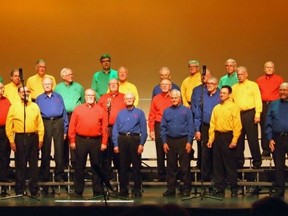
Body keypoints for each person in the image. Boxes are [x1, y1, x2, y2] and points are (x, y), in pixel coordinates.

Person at [68, 88, 108, 197]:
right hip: (81, 140)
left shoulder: (101, 110)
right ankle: (78, 191)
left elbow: (105, 128)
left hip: (96, 141)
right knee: (79, 167)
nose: (90, 97)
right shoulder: (78, 109)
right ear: (84, 97)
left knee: (96, 166)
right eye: (88, 95)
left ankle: (97, 191)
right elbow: (72, 126)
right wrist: (72, 140)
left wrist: (104, 142)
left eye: (92, 95)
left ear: (95, 97)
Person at [5, 86, 44, 196]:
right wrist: (11, 141)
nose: (25, 93)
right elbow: (9, 125)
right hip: (20, 137)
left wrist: (40, 139)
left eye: (27, 91)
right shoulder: (14, 107)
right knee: (20, 165)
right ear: (18, 93)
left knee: (34, 165)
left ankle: (34, 189)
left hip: (33, 137)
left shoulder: (35, 106)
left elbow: (40, 123)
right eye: (22, 91)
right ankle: (19, 189)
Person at [232, 66, 262, 194]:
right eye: (238, 74)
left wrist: (258, 114)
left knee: (252, 139)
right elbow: (232, 102)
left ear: (246, 74)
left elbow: (258, 100)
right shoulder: (234, 88)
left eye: (241, 74)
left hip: (250, 113)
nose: (239, 76)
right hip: (238, 114)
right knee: (238, 140)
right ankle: (239, 162)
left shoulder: (253, 85)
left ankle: (257, 161)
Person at [207, 85, 242, 198]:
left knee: (230, 164)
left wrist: (234, 139)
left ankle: (234, 188)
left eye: (224, 93)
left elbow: (237, 125)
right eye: (221, 92)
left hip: (228, 136)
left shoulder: (233, 107)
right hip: (218, 137)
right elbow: (212, 124)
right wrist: (211, 139)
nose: (221, 94)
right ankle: (219, 188)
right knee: (218, 165)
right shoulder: (216, 108)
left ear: (229, 94)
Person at [112, 93, 147, 197]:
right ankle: (123, 190)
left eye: (130, 98)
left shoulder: (140, 113)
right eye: (127, 99)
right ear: (124, 100)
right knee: (123, 167)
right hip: (122, 140)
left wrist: (141, 144)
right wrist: (115, 144)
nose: (129, 100)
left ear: (134, 99)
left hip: (134, 140)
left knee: (136, 166)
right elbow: (115, 129)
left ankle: (137, 189)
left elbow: (144, 130)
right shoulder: (120, 113)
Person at [36, 77, 68, 189]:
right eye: (45, 84)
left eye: (49, 84)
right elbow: (37, 115)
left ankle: (59, 174)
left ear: (52, 85)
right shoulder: (39, 99)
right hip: (45, 122)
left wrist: (65, 128)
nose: (47, 86)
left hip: (58, 122)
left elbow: (64, 112)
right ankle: (45, 174)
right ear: (43, 86)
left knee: (59, 149)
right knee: (45, 150)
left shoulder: (58, 96)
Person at [160, 89, 194, 197]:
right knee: (171, 167)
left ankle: (186, 188)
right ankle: (171, 189)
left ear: (180, 98)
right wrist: (164, 142)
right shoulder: (166, 111)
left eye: (175, 98)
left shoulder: (186, 111)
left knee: (185, 167)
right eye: (172, 98)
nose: (174, 100)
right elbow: (163, 128)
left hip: (183, 140)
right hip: (170, 141)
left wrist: (189, 142)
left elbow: (190, 127)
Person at [54, 67, 85, 168]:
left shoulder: (79, 87)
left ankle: (75, 164)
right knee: (62, 139)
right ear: (63, 76)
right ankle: (63, 164)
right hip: (62, 116)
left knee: (74, 139)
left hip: (75, 116)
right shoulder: (58, 88)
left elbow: (83, 101)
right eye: (68, 75)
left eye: (72, 74)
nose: (71, 76)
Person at [98, 78, 126, 180]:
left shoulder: (124, 97)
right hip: (106, 128)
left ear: (118, 85)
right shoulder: (103, 98)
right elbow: (98, 112)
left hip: (119, 129)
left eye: (115, 84)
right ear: (108, 86)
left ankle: (121, 178)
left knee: (118, 153)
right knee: (106, 154)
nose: (113, 85)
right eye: (111, 84)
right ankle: (107, 177)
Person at [193, 76, 220, 181]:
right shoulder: (203, 96)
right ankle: (205, 177)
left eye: (212, 83)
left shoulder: (220, 95)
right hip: (205, 126)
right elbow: (198, 115)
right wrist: (197, 129)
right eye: (208, 83)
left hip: (217, 128)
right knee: (205, 153)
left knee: (216, 152)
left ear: (216, 85)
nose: (209, 85)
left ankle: (216, 177)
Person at [256, 61, 284, 157]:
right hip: (264, 105)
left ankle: (276, 149)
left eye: (271, 67)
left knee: (275, 125)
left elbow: (283, 92)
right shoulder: (259, 80)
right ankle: (266, 150)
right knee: (264, 126)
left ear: (274, 69)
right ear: (264, 69)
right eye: (267, 67)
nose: (269, 69)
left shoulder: (279, 79)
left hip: (276, 105)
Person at [265, 82, 288, 198]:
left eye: (285, 90)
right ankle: (280, 189)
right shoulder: (273, 105)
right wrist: (270, 139)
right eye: (281, 90)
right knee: (279, 165)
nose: (283, 92)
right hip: (277, 138)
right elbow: (268, 123)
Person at [148, 78, 173, 182]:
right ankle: (161, 174)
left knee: (171, 150)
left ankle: (171, 174)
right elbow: (151, 115)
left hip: (171, 125)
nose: (164, 86)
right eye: (162, 84)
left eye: (166, 84)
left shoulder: (174, 97)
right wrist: (151, 130)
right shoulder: (156, 98)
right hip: (159, 125)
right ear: (159, 86)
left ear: (170, 86)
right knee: (160, 150)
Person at [191, 69, 212, 169]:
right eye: (202, 76)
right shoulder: (196, 90)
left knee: (211, 146)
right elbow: (194, 105)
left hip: (211, 123)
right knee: (200, 145)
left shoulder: (213, 89)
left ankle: (211, 168)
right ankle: (201, 165)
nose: (203, 77)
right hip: (199, 120)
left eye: (206, 75)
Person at [0, 83, 11, 196]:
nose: (2, 89)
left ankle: (3, 177)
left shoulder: (6, 100)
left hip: (5, 130)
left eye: (3, 87)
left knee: (4, 154)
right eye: (0, 88)